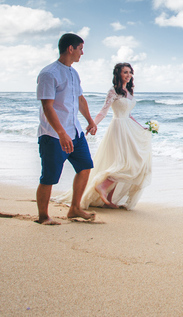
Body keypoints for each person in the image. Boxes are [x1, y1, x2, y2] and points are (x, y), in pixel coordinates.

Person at [54, 62, 152, 210]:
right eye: (125, 72)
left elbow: (129, 115)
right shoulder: (113, 91)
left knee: (131, 161)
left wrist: (141, 127)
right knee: (123, 163)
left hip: (128, 128)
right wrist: (93, 123)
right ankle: (102, 185)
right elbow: (103, 111)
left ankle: (110, 199)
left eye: (130, 72)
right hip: (118, 128)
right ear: (118, 74)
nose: (128, 75)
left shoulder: (129, 91)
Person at [35, 33, 97, 225]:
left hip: (75, 132)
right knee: (49, 177)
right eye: (80, 48)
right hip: (53, 135)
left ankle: (75, 208)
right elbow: (48, 106)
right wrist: (61, 133)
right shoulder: (49, 74)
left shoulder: (73, 72)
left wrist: (90, 120)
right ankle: (43, 217)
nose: (82, 53)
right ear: (71, 48)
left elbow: (79, 99)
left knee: (85, 166)